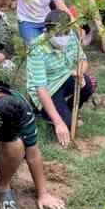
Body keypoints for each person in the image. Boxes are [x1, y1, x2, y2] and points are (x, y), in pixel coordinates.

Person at [27, 10, 95, 147]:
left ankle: (67, 111)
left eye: (65, 32)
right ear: (46, 31)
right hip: (48, 89)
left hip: (65, 77)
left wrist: (79, 73)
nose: (62, 37)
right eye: (57, 34)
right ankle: (45, 113)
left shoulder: (71, 36)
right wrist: (59, 123)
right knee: (68, 125)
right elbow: (41, 89)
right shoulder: (37, 48)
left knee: (87, 85)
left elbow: (82, 60)